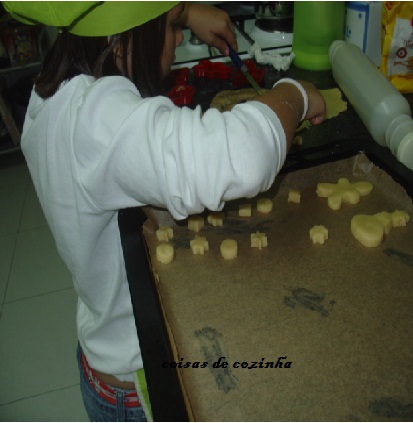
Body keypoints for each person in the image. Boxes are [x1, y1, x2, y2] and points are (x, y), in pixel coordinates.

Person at [3, 1, 326, 421]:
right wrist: (294, 94)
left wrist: (185, 13)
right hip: (141, 382)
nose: (178, 39)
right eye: (172, 27)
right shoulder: (98, 120)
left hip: (104, 342)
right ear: (124, 38)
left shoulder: (56, 88)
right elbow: (241, 155)